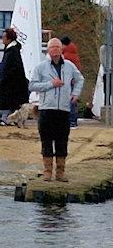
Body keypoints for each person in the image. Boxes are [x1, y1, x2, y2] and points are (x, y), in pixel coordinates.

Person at [29, 38, 84, 182]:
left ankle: (60, 172)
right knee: (46, 140)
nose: (55, 50)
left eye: (57, 47)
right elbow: (32, 85)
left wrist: (75, 94)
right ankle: (47, 171)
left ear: (61, 50)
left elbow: (80, 79)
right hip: (47, 109)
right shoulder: (41, 67)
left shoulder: (70, 66)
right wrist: (50, 84)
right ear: (48, 50)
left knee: (62, 140)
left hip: (64, 109)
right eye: (52, 47)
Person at [0, 28, 29, 126]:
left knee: (9, 101)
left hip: (11, 83)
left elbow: (8, 69)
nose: (2, 39)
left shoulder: (12, 51)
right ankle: (7, 118)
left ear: (9, 39)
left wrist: (1, 80)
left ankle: (6, 119)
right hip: (12, 82)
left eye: (4, 37)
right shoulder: (12, 50)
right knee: (11, 102)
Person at [61, 36, 82, 128]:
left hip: (69, 81)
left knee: (69, 101)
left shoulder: (66, 56)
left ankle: (71, 121)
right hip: (73, 81)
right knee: (73, 101)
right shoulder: (73, 53)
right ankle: (73, 120)